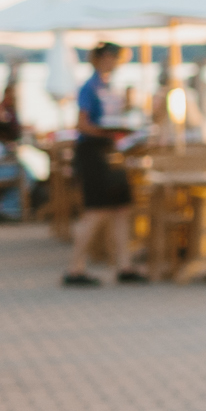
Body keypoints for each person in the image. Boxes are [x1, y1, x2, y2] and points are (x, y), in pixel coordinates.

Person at [64, 43, 147, 285]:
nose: (116, 62)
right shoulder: (89, 87)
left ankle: (124, 265)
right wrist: (108, 131)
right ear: (103, 58)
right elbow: (81, 124)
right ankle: (75, 268)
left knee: (121, 208)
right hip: (92, 151)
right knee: (96, 211)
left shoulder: (111, 86)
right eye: (113, 58)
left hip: (111, 150)